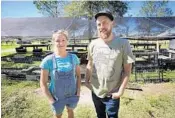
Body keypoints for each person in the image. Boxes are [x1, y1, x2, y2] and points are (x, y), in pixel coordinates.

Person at [85, 11, 135, 118]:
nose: (101, 26)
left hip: (113, 94)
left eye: (105, 23)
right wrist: (86, 81)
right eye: (99, 24)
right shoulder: (93, 44)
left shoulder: (123, 44)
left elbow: (127, 71)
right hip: (96, 92)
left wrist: (120, 91)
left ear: (112, 23)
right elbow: (90, 64)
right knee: (100, 115)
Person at [40, 30, 81, 118]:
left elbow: (78, 76)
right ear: (53, 42)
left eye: (63, 40)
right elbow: (43, 83)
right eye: (57, 40)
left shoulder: (74, 58)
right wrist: (51, 100)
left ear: (67, 41)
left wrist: (78, 92)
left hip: (72, 94)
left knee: (70, 110)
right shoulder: (48, 60)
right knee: (58, 115)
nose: (61, 43)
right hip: (56, 97)